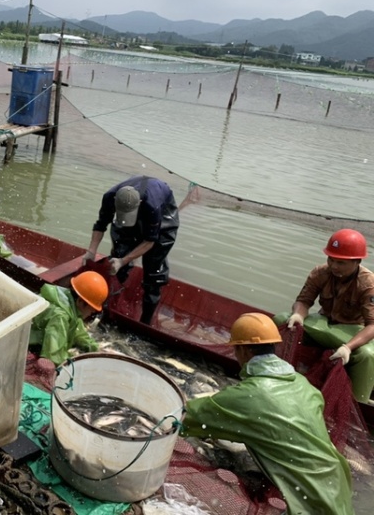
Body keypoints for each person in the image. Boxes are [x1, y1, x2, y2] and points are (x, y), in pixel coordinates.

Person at [181, 312, 353, 515]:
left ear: (242, 350)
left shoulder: (247, 396)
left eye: (235, 349)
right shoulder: (305, 385)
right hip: (339, 485)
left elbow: (185, 417)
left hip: (310, 504)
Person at [280, 228, 374, 404]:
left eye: (341, 263)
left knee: (367, 355)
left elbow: (372, 325)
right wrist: (298, 315)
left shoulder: (368, 284)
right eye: (331, 259)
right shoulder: (320, 273)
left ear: (356, 262)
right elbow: (304, 301)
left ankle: (358, 404)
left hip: (351, 330)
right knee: (282, 320)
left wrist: (348, 347)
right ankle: (277, 371)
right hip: (323, 324)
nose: (334, 266)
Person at [83, 175, 179, 324]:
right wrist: (91, 251)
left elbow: (150, 242)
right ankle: (107, 307)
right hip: (135, 205)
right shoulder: (109, 197)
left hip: (164, 213)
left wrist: (124, 260)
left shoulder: (152, 206)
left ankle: (145, 323)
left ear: (139, 203)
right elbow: (101, 224)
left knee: (154, 271)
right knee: (120, 253)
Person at [28, 271, 108, 366]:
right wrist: (73, 357)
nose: (94, 311)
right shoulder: (60, 316)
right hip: (27, 346)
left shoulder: (69, 304)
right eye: (92, 307)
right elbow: (53, 356)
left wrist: (95, 348)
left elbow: (78, 332)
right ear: (80, 301)